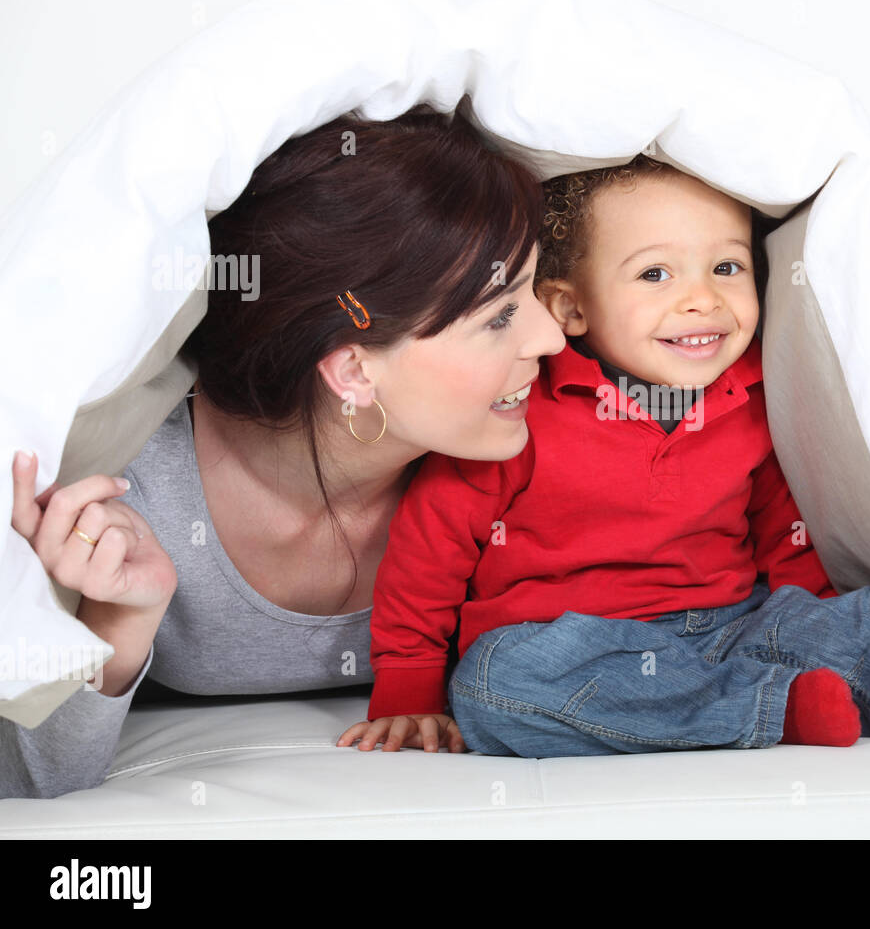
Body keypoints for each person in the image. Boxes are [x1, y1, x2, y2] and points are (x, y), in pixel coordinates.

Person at [344, 155, 870, 768]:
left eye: (726, 267)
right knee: (495, 689)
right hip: (569, 641)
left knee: (865, 625)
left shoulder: (756, 394)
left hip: (732, 622)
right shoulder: (522, 414)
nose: (702, 299)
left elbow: (782, 527)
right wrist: (409, 686)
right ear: (571, 306)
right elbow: (429, 554)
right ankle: (776, 710)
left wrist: (814, 627)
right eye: (655, 274)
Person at [3, 104, 565, 799]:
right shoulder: (132, 495)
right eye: (501, 313)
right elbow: (27, 789)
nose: (553, 339)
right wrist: (121, 622)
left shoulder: (553, 451)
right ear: (354, 373)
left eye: (535, 289)